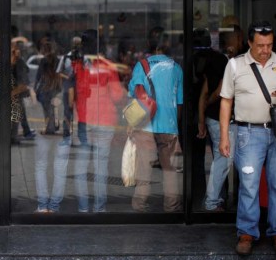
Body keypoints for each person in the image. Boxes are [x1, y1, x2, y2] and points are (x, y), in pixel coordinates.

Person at [219, 21, 276, 256]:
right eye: (261, 45)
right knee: (249, 185)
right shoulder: (235, 65)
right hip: (248, 133)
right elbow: (226, 100)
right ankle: (246, 232)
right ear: (250, 42)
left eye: (270, 44)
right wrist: (224, 136)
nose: (266, 50)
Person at [129, 27, 183, 213]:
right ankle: (171, 207)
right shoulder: (176, 68)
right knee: (170, 170)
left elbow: (134, 93)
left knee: (144, 168)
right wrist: (176, 126)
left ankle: (140, 205)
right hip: (169, 126)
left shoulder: (141, 66)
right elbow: (180, 102)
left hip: (145, 125)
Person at [73, 29, 125, 213]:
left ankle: (83, 207)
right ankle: (99, 208)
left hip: (84, 120)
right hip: (105, 120)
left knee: (81, 164)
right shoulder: (107, 66)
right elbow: (118, 95)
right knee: (101, 166)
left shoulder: (77, 66)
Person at [196, 30, 235, 212]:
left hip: (212, 117)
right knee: (223, 159)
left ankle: (216, 198)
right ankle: (212, 201)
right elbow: (219, 91)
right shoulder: (223, 62)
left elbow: (203, 94)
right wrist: (211, 103)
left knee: (221, 158)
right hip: (221, 117)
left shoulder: (206, 63)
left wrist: (202, 119)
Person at [34, 39, 61, 134]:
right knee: (52, 107)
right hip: (55, 87)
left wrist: (35, 88)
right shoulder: (57, 60)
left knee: (47, 108)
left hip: (45, 87)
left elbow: (39, 75)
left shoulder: (44, 60)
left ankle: (50, 128)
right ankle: (53, 125)